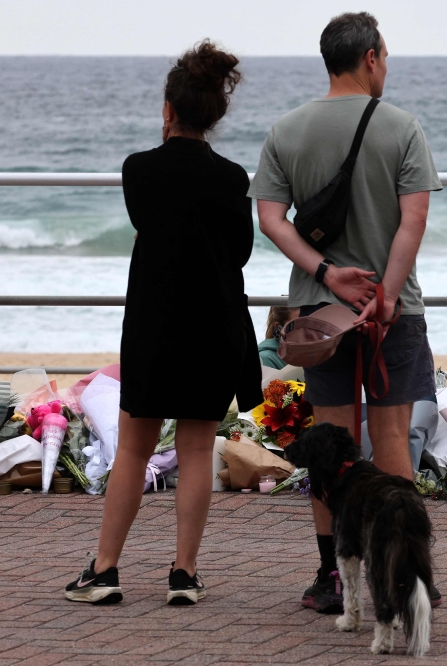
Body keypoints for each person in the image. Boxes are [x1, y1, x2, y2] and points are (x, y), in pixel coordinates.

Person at [250, 12, 443, 614]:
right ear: (371, 58)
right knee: (390, 436)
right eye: (385, 55)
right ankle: (408, 576)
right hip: (393, 309)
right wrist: (384, 293)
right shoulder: (403, 128)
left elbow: (271, 219)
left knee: (330, 446)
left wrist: (327, 273)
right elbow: (412, 220)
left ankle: (333, 575)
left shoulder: (286, 130)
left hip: (318, 314)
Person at [64, 41, 262, 606]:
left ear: (168, 109)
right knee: (198, 449)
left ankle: (105, 570)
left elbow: (147, 225)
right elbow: (241, 252)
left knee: (133, 448)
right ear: (215, 116)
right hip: (213, 325)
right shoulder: (230, 179)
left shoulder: (139, 170)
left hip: (154, 324)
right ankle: (184, 573)